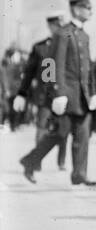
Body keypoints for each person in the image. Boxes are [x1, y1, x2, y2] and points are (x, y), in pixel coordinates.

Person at [20, 0, 96, 186]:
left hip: (82, 96)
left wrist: (94, 92)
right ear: (75, 9)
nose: (90, 11)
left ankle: (79, 174)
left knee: (83, 135)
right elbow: (54, 64)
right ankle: (30, 161)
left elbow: (88, 69)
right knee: (60, 133)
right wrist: (57, 92)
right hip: (67, 95)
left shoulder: (83, 35)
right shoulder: (63, 34)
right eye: (86, 7)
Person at [13, 14, 66, 175]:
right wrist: (22, 93)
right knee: (41, 127)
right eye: (56, 25)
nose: (59, 28)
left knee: (63, 129)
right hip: (44, 95)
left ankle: (61, 162)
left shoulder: (67, 44)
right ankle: (36, 161)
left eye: (61, 25)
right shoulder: (39, 47)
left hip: (62, 95)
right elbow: (29, 72)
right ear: (50, 26)